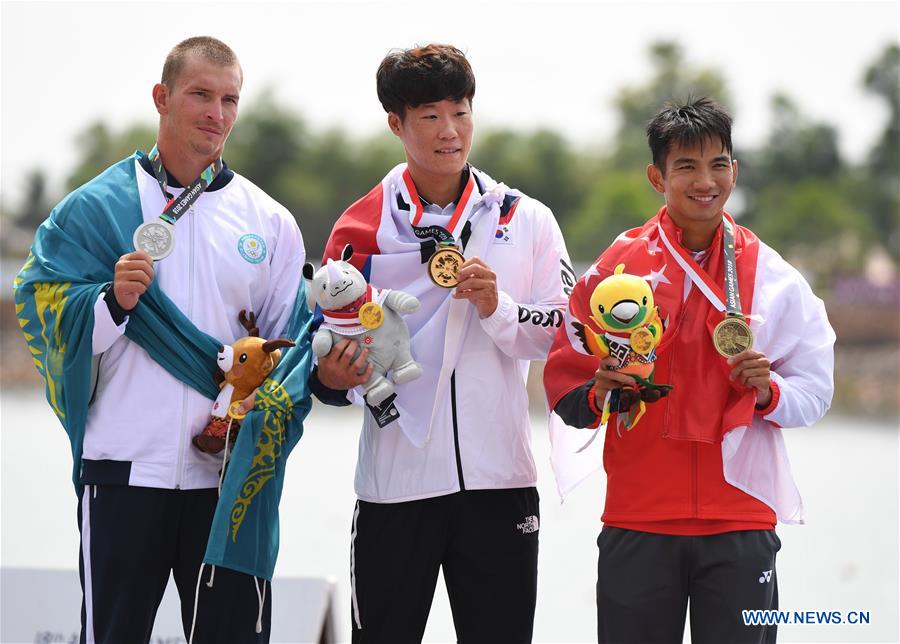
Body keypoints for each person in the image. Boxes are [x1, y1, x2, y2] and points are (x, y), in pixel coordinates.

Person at [14, 37, 311, 644]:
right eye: (200, 94)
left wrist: (268, 401)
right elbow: (40, 309)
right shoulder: (94, 209)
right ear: (162, 97)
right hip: (124, 472)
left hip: (228, 479)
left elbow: (294, 348)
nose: (217, 113)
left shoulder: (270, 222)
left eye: (229, 99)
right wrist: (110, 304)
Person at [544, 97, 835, 644]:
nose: (705, 181)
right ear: (658, 176)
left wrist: (768, 391)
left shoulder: (774, 275)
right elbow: (564, 383)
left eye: (718, 164)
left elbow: (816, 392)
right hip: (639, 520)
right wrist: (600, 390)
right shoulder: (617, 266)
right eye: (686, 166)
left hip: (742, 521)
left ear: (734, 170)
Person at [310, 44, 574, 643]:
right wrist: (336, 374)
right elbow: (325, 360)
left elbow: (566, 336)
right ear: (396, 124)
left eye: (460, 111)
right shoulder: (360, 228)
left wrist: (497, 308)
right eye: (429, 116)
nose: (449, 131)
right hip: (394, 486)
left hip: (499, 483)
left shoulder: (525, 218)